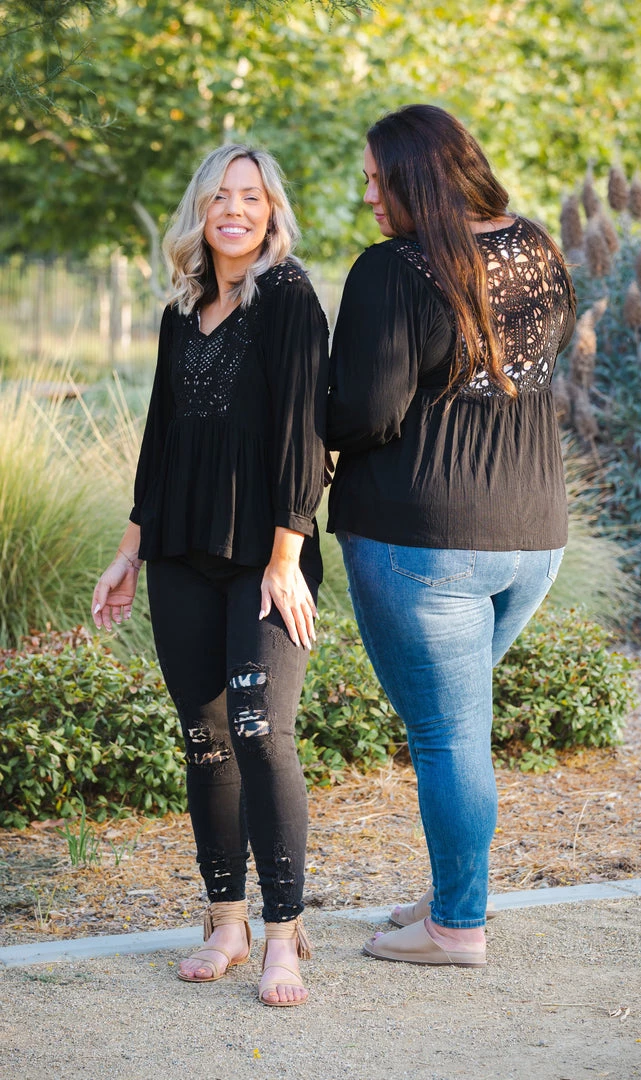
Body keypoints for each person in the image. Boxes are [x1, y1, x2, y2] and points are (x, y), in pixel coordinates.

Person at [326, 105, 575, 967]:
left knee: (446, 737)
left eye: (376, 180)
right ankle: (449, 896)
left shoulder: (393, 268)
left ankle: (456, 927)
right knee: (457, 729)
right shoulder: (538, 248)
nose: (368, 197)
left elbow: (366, 412)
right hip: (534, 537)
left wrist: (301, 414)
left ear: (416, 176)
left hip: (424, 539)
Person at [92, 144, 328, 1005]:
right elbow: (158, 445)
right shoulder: (180, 311)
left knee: (262, 731)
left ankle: (284, 933)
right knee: (206, 736)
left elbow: (306, 434)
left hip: (266, 558)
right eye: (220, 196)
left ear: (272, 211)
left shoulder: (290, 296)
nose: (235, 210)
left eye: (251, 196)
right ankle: (226, 921)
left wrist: (285, 558)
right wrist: (128, 553)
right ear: (200, 210)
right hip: (180, 553)